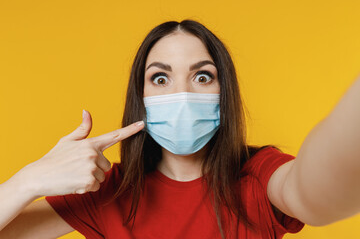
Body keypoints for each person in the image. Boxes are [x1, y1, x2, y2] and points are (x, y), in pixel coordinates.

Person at [1, 19, 360, 239]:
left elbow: (317, 194)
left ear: (225, 93)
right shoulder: (107, 193)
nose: (183, 95)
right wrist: (30, 180)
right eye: (160, 78)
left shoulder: (259, 179)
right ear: (140, 97)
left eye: (202, 76)